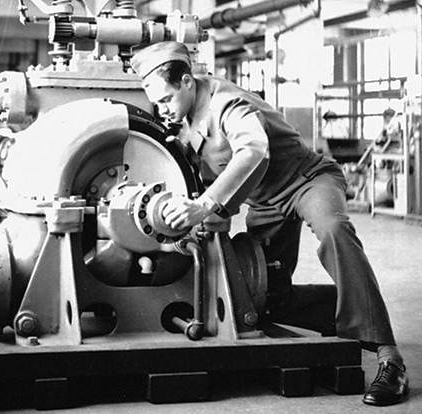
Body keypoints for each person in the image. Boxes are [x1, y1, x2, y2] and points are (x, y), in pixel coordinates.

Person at [130, 41, 408, 407]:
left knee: (334, 231)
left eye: (165, 99)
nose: (163, 109)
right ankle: (355, 306)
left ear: (186, 82)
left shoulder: (228, 104)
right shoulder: (182, 119)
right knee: (263, 295)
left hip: (306, 180)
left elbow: (253, 151)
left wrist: (204, 205)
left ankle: (390, 358)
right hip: (265, 202)